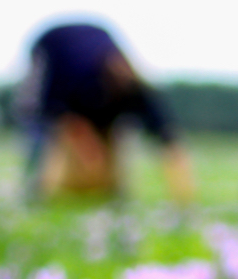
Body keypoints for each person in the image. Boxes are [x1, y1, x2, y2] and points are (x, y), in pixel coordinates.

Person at [15, 23, 194, 202]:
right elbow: (62, 114)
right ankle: (36, 188)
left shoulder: (138, 92)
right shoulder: (78, 74)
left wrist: (182, 192)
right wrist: (90, 152)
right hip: (50, 54)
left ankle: (116, 193)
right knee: (41, 123)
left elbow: (168, 140)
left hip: (97, 101)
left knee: (114, 141)